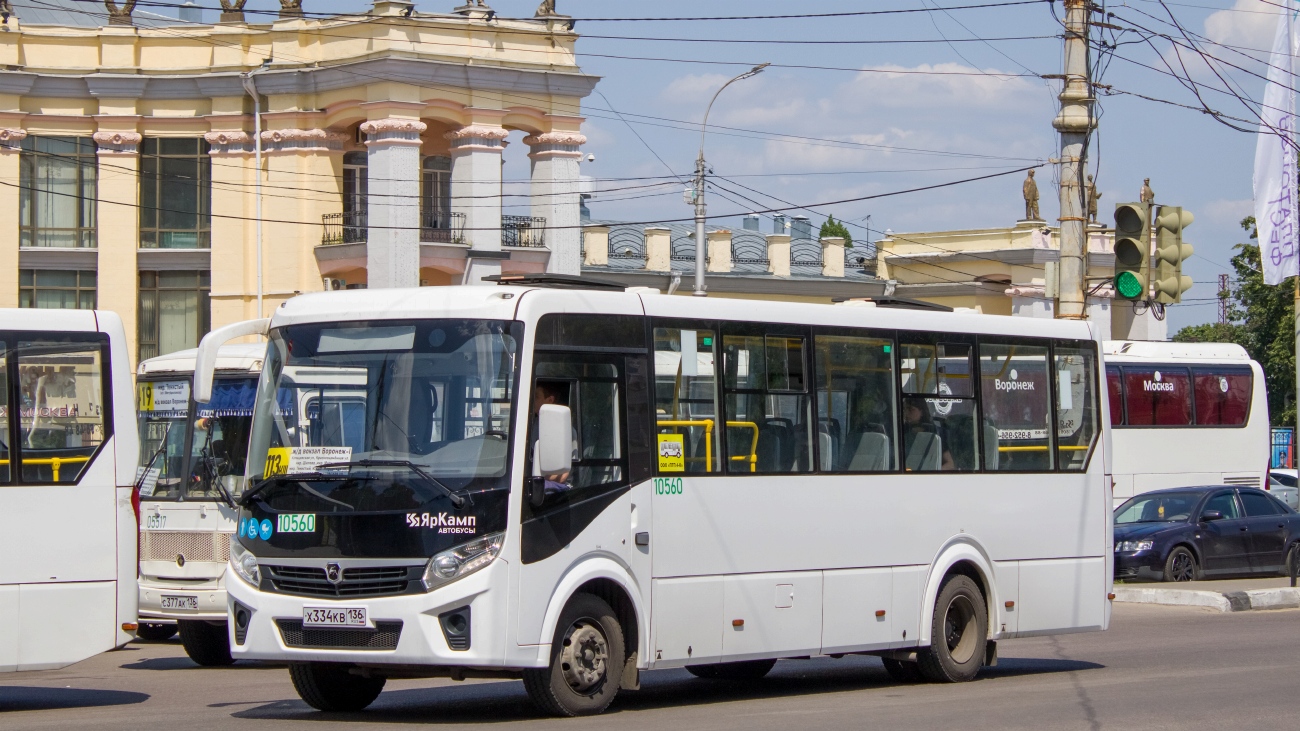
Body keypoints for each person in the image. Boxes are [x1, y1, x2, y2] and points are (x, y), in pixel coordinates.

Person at [530, 380, 573, 494]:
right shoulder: (534, 423)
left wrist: (536, 476)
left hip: (557, 487)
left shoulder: (564, 429)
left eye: (537, 397)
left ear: (550, 400)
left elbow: (563, 476)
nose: (532, 401)